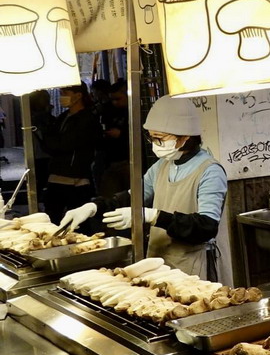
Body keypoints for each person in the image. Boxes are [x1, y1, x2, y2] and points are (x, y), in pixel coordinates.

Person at [59, 96, 228, 279]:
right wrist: (94, 207)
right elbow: (134, 197)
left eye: (160, 139)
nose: (155, 144)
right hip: (157, 261)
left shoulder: (210, 171)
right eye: (152, 138)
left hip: (192, 266)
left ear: (185, 137)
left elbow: (206, 227)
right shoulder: (163, 165)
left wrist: (153, 216)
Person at [38, 84, 101, 226]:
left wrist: (53, 142)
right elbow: (52, 144)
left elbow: (66, 144)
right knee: (52, 220)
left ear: (78, 95)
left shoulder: (87, 119)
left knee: (78, 222)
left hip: (75, 178)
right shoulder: (63, 117)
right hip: (56, 175)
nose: (62, 96)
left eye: (65, 92)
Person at [97, 79, 131, 197]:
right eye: (112, 100)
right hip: (111, 160)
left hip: (129, 160)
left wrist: (121, 134)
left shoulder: (135, 112)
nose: (114, 103)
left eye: (118, 99)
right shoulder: (108, 111)